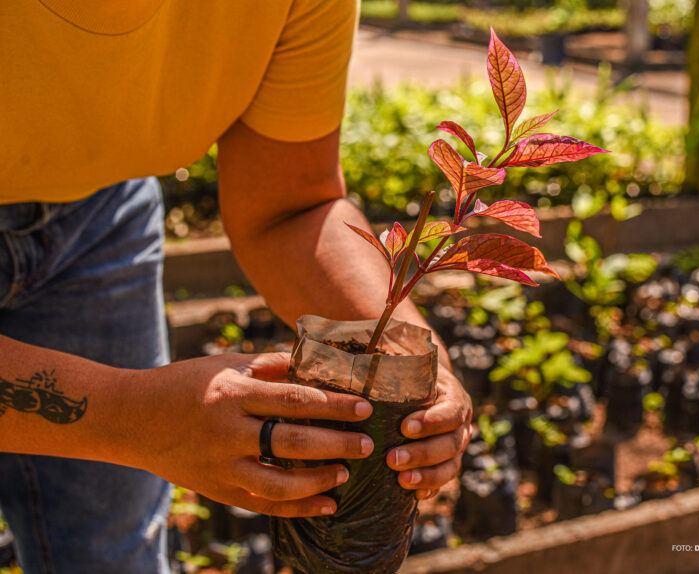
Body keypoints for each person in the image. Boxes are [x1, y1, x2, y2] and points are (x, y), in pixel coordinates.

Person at [0, 1, 472, 572]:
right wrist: (130, 415)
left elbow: (290, 205)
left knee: (111, 550)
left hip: (101, 207)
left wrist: (418, 363)